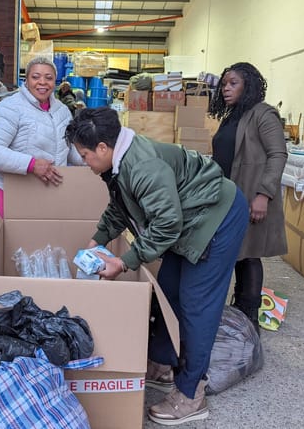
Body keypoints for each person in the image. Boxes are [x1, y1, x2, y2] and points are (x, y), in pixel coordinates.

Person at [64, 107, 249, 426]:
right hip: (186, 218)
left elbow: (166, 224)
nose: (84, 162)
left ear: (103, 148)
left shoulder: (143, 167)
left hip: (217, 218)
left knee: (196, 304)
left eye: (84, 155)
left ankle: (192, 394)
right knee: (168, 290)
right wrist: (98, 241)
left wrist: (123, 262)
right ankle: (163, 364)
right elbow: (122, 206)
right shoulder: (120, 163)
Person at [208, 62, 288, 332]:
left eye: (233, 83)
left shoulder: (263, 115)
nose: (225, 88)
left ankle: (249, 316)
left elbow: (278, 154)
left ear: (248, 85)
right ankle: (240, 311)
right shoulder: (233, 115)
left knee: (250, 254)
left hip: (251, 194)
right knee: (238, 253)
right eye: (224, 83)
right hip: (229, 196)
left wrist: (263, 195)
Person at [0, 56, 83, 217]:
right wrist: (31, 164)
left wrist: (93, 160)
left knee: (41, 239)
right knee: (12, 239)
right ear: (26, 81)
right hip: (8, 189)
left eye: (49, 78)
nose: (42, 82)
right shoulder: (10, 107)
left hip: (47, 190)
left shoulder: (62, 111)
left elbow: (69, 149)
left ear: (55, 82)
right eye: (35, 77)